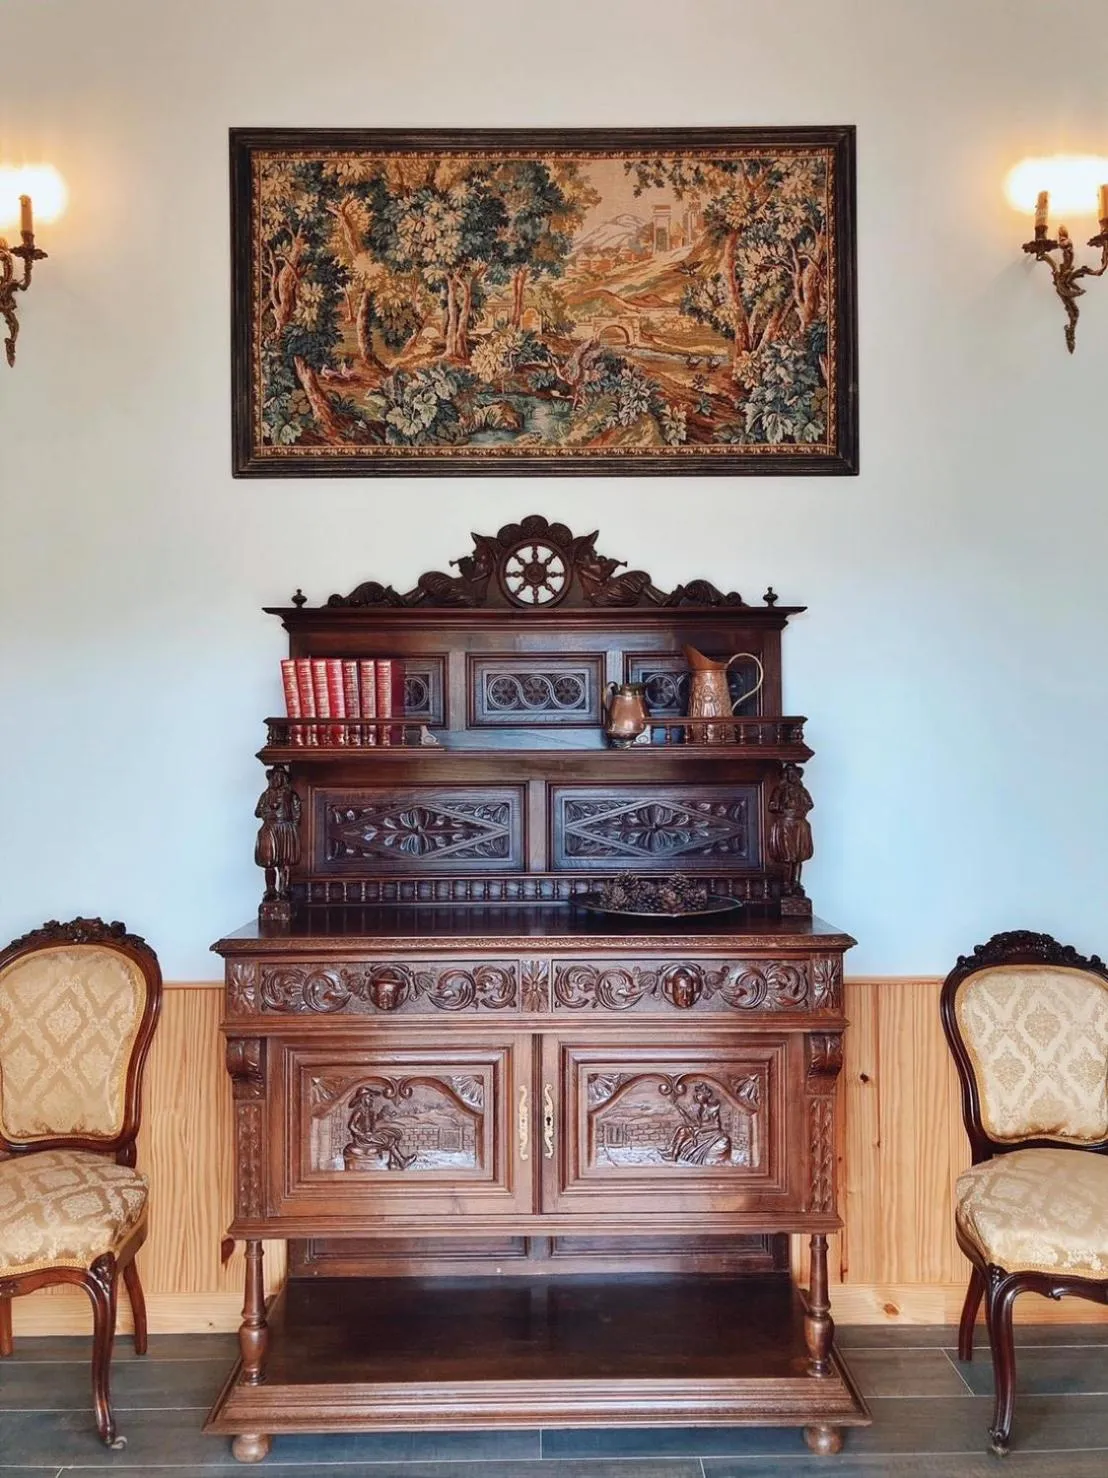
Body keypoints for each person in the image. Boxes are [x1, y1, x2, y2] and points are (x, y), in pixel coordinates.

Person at [254, 767, 301, 902]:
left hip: (285, 828)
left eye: (280, 777)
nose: (276, 780)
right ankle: (270, 889)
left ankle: (284, 889)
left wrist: (290, 826)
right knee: (268, 861)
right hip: (270, 828)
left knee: (285, 861)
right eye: (274, 777)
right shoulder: (266, 795)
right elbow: (257, 812)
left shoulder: (291, 795)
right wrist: (268, 811)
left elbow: (297, 814)